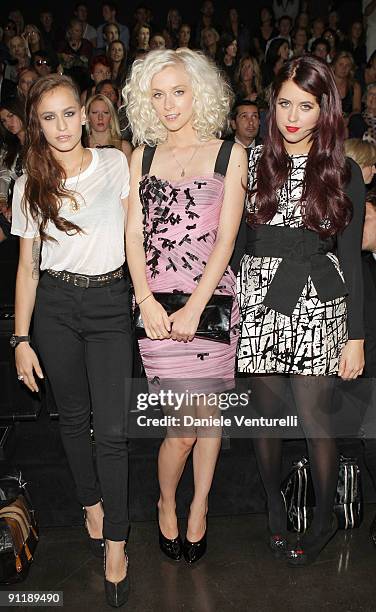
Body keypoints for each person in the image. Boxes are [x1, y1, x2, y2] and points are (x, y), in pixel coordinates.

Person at [237, 55, 365, 566]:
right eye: (285, 103)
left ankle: (323, 517)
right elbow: (232, 241)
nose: (293, 116)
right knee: (266, 421)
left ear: (324, 109)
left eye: (305, 106)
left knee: (317, 424)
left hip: (318, 302)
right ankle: (273, 508)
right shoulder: (250, 163)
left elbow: (351, 258)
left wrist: (355, 336)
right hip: (262, 301)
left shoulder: (342, 169)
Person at [10, 74, 131, 607]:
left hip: (109, 305)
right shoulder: (29, 183)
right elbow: (27, 269)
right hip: (55, 309)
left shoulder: (116, 164)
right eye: (47, 117)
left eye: (67, 113)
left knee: (112, 432)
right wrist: (19, 339)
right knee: (74, 421)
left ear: (85, 113)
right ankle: (90, 505)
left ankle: (118, 543)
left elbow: (134, 237)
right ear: (36, 126)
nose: (60, 126)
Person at [124, 48, 247, 564]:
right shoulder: (142, 156)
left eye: (178, 91)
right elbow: (132, 233)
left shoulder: (228, 154)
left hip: (212, 303)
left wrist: (197, 306)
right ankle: (165, 502)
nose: (169, 104)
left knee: (210, 418)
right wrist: (146, 298)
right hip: (156, 306)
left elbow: (225, 240)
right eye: (158, 94)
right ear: (145, 102)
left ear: (199, 91)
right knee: (182, 429)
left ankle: (198, 509)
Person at [85, 93, 132, 164]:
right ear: (87, 117)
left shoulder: (124, 147)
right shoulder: (80, 146)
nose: (100, 118)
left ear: (111, 117)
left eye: (105, 112)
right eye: (95, 112)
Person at [332, 51, 362, 116]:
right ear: (334, 65)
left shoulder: (355, 86)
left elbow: (356, 109)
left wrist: (348, 119)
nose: (344, 68)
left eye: (347, 65)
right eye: (341, 64)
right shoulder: (325, 83)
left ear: (350, 69)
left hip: (347, 121)